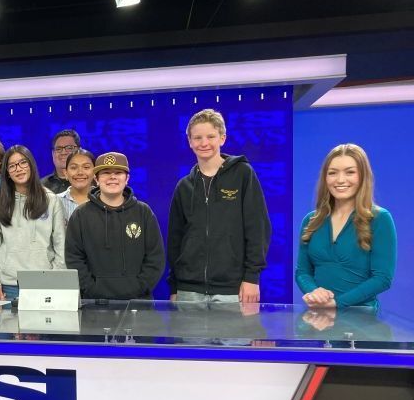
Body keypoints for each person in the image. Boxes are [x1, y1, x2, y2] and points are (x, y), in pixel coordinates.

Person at [167, 108, 271, 304]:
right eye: (197, 138)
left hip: (233, 290)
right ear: (189, 141)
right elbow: (175, 240)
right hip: (188, 292)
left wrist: (251, 278)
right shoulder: (184, 186)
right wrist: (174, 286)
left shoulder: (243, 174)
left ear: (222, 138)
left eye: (210, 136)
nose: (204, 143)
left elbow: (258, 228)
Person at [296, 143, 396, 310]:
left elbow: (382, 278)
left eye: (350, 172)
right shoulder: (311, 220)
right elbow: (302, 272)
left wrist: (336, 304)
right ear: (325, 178)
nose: (340, 180)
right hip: (320, 319)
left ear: (362, 177)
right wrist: (314, 292)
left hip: (361, 322)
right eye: (332, 173)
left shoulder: (380, 219)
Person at [65, 152, 164, 299]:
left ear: (127, 178)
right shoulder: (81, 215)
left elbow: (155, 257)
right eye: (105, 173)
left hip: (138, 302)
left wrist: (139, 287)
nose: (112, 177)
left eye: (118, 173)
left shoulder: (143, 212)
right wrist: (92, 289)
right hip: (95, 303)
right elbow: (74, 258)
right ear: (96, 179)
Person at [0, 145, 66, 300]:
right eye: (12, 166)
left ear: (31, 165)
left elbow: (61, 245)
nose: (18, 169)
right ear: (7, 172)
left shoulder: (51, 200)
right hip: (9, 286)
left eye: (23, 163)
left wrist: (55, 279)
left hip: (45, 284)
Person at [57, 148, 95, 224]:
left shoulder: (105, 200)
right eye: (74, 168)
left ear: (95, 172)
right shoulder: (55, 202)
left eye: (86, 167)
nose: (80, 172)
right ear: (66, 173)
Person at [41, 129, 81, 194]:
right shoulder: (41, 186)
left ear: (79, 150)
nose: (63, 152)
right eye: (58, 149)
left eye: (69, 148)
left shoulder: (90, 182)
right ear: (53, 153)